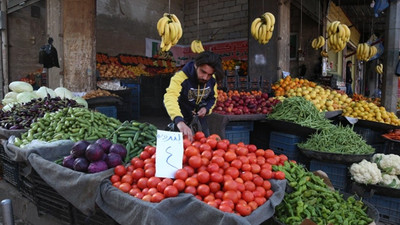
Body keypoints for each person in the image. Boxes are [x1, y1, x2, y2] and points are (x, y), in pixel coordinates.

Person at [164, 51, 223, 141]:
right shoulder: (180, 77)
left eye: (209, 74)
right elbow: (170, 97)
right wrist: (179, 120)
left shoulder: (212, 79)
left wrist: (206, 109)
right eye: (203, 72)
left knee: (205, 144)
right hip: (181, 117)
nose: (205, 77)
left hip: (200, 119)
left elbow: (213, 97)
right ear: (196, 65)